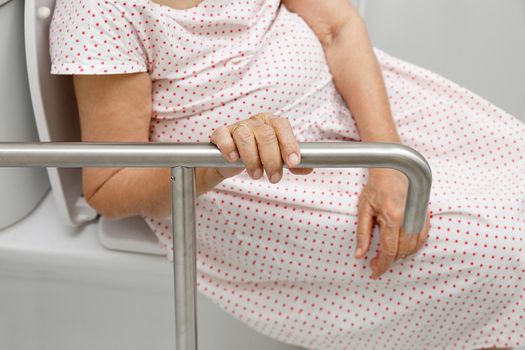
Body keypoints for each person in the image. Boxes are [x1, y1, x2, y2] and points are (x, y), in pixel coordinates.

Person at [49, 0, 525, 349]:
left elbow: (338, 27)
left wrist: (387, 158)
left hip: (349, 111)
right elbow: (108, 185)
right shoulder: (100, 10)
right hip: (248, 184)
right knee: (501, 249)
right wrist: (224, 154)